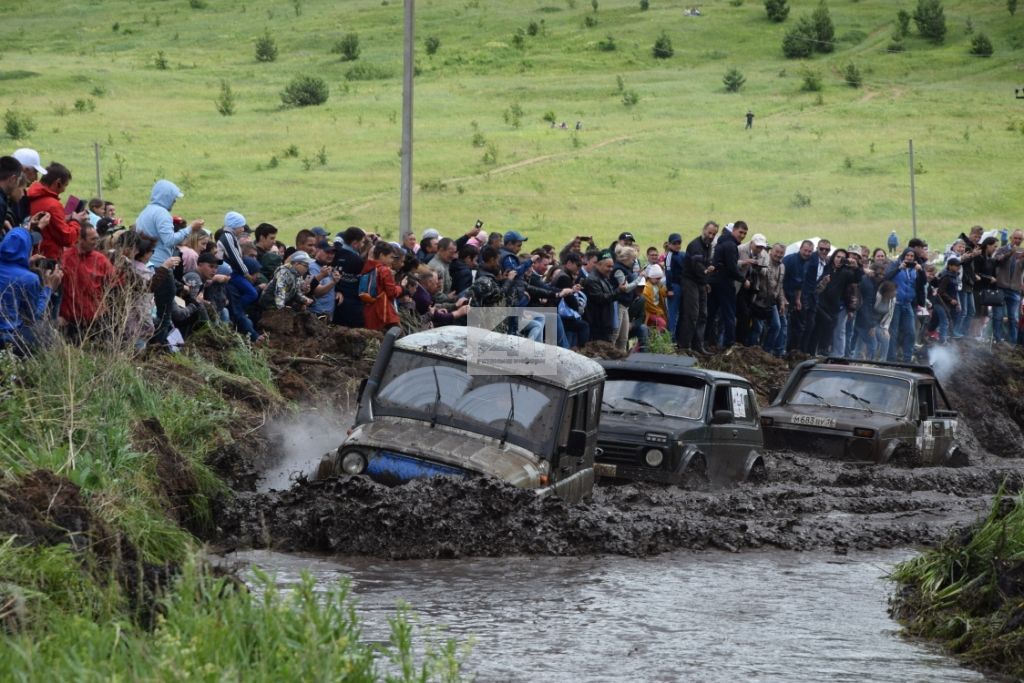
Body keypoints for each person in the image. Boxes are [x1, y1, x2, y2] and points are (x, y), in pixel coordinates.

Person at [0, 226, 62, 353]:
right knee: (47, 332)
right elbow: (33, 317)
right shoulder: (29, 279)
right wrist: (49, 288)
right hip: (9, 340)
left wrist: (22, 263)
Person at [59, 225, 116, 338]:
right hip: (69, 320)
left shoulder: (101, 260)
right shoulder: (65, 258)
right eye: (93, 239)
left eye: (97, 238)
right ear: (81, 239)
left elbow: (113, 283)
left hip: (95, 319)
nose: (96, 242)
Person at [136, 179, 204, 269]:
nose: (174, 201)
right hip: (159, 264)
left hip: (146, 262)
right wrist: (190, 228)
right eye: (173, 197)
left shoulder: (145, 211)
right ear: (166, 197)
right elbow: (169, 240)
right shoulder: (162, 213)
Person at [28, 163, 87, 262]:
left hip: (32, 254)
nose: (64, 190)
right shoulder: (53, 205)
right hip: (47, 258)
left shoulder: (30, 195)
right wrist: (76, 221)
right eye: (65, 185)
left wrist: (65, 219)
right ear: (58, 183)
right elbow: (67, 238)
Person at [706, 220, 748, 349]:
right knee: (729, 314)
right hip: (725, 283)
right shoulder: (730, 245)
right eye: (740, 232)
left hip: (714, 282)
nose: (742, 235)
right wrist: (743, 280)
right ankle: (729, 344)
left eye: (745, 234)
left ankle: (705, 341)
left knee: (711, 314)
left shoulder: (721, 243)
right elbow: (731, 267)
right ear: (734, 230)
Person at [677, 221, 716, 353]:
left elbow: (706, 264)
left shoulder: (709, 246)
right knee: (692, 314)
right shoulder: (695, 245)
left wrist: (705, 282)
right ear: (703, 230)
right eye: (709, 232)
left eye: (714, 234)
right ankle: (685, 345)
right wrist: (706, 272)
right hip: (690, 281)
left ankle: (698, 345)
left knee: (703, 314)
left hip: (701, 282)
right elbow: (697, 265)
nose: (711, 236)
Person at [885, 248, 924, 362]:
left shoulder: (914, 269)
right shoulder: (895, 264)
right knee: (894, 331)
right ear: (903, 256)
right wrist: (898, 269)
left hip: (907, 303)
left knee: (911, 332)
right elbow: (886, 277)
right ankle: (891, 359)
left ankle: (907, 358)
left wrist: (921, 271)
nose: (910, 258)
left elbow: (923, 283)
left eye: (912, 256)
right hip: (895, 302)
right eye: (908, 255)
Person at [360, 241, 403, 331]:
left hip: (368, 309)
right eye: (390, 257)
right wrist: (400, 288)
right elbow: (391, 293)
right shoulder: (384, 271)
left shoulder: (367, 266)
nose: (392, 260)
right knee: (393, 337)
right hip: (383, 311)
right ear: (382, 255)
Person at [800, 239, 832, 353]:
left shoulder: (826, 263)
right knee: (803, 326)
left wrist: (823, 283)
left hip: (814, 298)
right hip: (804, 296)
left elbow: (820, 286)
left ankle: (807, 351)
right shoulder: (811, 258)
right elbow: (805, 279)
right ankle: (799, 351)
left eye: (827, 249)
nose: (824, 251)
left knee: (811, 325)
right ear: (817, 248)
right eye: (821, 249)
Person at [992, 229, 1024, 345]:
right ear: (1011, 238)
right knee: (998, 316)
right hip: (1001, 286)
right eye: (1016, 238)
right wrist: (1011, 253)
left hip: (1015, 289)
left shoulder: (1022, 251)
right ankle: (998, 341)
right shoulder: (1002, 249)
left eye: (1020, 239)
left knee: (1013, 318)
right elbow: (998, 260)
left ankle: (1013, 343)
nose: (1017, 241)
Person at [332, 227, 367, 328]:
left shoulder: (336, 254)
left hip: (336, 301)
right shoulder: (357, 260)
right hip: (353, 304)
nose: (363, 245)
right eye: (362, 242)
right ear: (355, 243)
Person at [582, 252, 621, 343]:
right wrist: (619, 291)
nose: (611, 269)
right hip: (597, 324)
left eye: (612, 266)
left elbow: (610, 296)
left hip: (605, 323)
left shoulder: (604, 277)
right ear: (599, 265)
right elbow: (601, 299)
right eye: (608, 266)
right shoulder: (592, 279)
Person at [782, 240, 813, 352]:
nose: (807, 253)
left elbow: (800, 283)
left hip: (793, 297)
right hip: (782, 295)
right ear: (800, 249)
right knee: (783, 325)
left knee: (794, 326)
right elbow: (780, 280)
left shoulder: (807, 263)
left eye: (810, 251)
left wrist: (798, 299)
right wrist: (783, 299)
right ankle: (779, 351)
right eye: (805, 250)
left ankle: (790, 351)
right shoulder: (789, 260)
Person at [760, 243, 787, 356]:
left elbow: (780, 286)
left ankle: (767, 351)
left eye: (781, 253)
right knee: (758, 327)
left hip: (772, 301)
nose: (779, 255)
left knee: (776, 326)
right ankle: (754, 350)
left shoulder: (782, 266)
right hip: (760, 299)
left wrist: (781, 302)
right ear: (771, 251)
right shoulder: (765, 263)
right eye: (777, 252)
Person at [9, 148, 46, 227]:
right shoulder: (10, 196)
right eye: (35, 172)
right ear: (25, 170)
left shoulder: (21, 193)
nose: (36, 178)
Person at [664, 232, 685, 335]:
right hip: (674, 287)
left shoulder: (681, 254)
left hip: (682, 286)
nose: (677, 245)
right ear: (669, 244)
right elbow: (668, 273)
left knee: (681, 313)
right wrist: (670, 289)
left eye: (679, 243)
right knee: (673, 314)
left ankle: (678, 337)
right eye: (675, 243)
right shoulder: (669, 256)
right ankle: (671, 338)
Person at [641, 263, 669, 331]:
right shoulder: (646, 288)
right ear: (651, 277)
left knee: (658, 325)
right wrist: (659, 311)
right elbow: (648, 304)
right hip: (649, 312)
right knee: (662, 323)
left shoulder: (658, 285)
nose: (659, 280)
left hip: (656, 310)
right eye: (657, 278)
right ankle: (655, 339)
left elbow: (664, 294)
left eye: (660, 278)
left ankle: (653, 339)